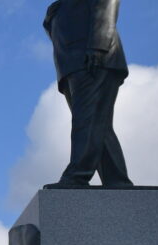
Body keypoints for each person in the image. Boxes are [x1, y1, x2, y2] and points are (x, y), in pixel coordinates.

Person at [43, 0, 131, 188]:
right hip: (71, 66)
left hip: (94, 59)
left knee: (87, 121)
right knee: (98, 125)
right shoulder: (57, 8)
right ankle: (116, 179)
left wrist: (98, 46)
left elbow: (107, 3)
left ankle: (77, 175)